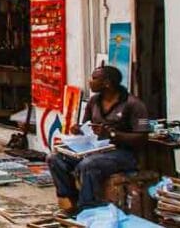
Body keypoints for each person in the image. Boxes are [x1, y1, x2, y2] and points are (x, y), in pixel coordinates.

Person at [47, 66, 149, 216]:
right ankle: (69, 199)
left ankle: (88, 207)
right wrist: (79, 129)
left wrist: (112, 135)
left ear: (107, 83)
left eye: (94, 78)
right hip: (94, 148)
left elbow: (142, 137)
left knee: (88, 164)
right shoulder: (94, 101)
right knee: (54, 158)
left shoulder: (134, 104)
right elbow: (86, 126)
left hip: (123, 153)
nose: (90, 81)